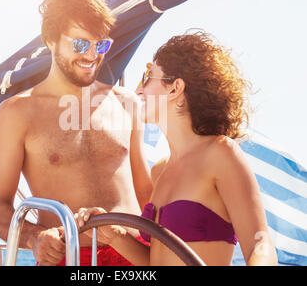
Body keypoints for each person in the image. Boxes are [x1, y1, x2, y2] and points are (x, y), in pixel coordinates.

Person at [0, 0, 152, 266]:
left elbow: (147, 193)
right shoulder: (15, 114)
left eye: (101, 44)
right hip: (69, 257)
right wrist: (35, 238)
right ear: (50, 40)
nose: (91, 55)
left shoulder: (127, 104)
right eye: (80, 43)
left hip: (136, 256)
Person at [75, 30, 278, 266]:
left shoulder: (220, 152)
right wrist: (115, 235)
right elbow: (157, 261)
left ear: (175, 88)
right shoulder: (159, 171)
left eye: (147, 76)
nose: (138, 89)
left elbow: (260, 244)